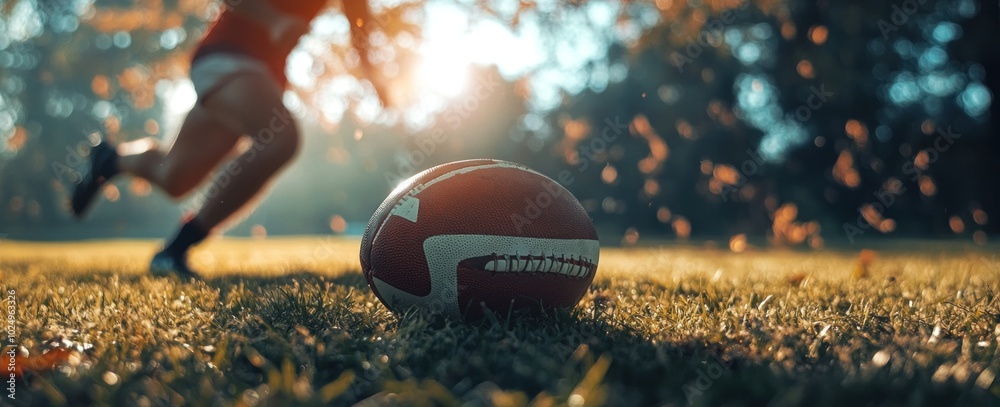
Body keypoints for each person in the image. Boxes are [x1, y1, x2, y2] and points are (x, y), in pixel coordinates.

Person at [70, 0, 388, 279]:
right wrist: (273, 20)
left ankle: (112, 160)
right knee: (281, 139)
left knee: (173, 177)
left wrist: (376, 79)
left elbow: (360, 24)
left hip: (262, 75)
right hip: (227, 55)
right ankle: (175, 250)